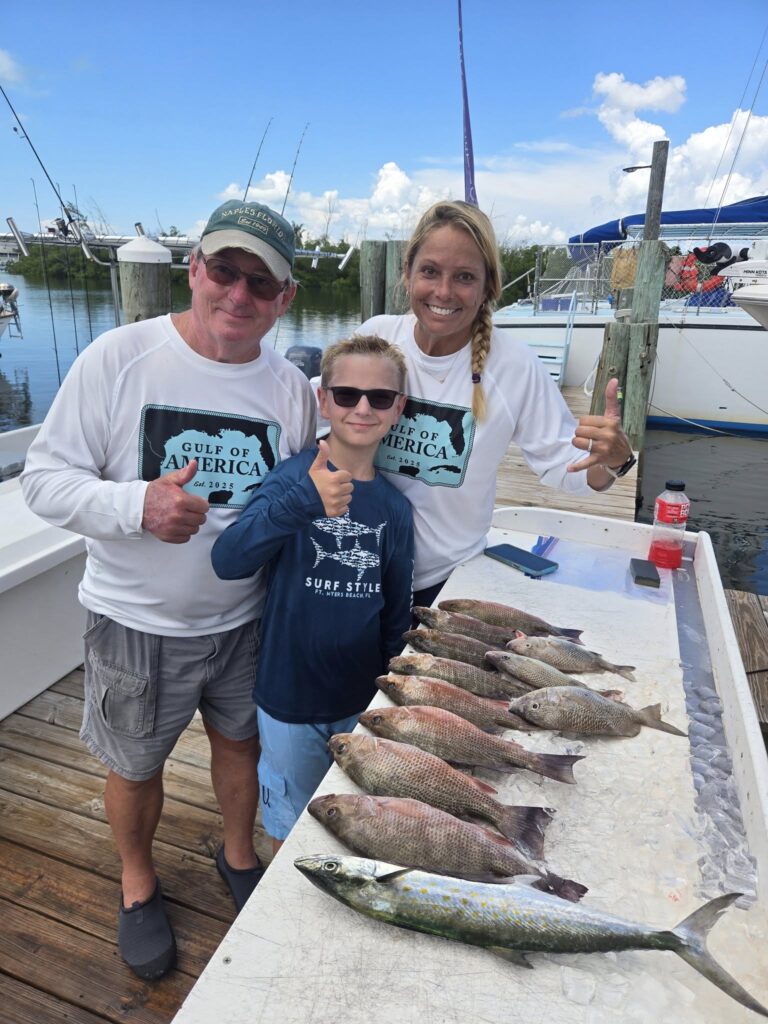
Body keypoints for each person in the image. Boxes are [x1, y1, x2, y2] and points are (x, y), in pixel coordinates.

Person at [20, 200, 317, 980]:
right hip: (135, 623)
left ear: (286, 298)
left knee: (241, 746)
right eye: (224, 270)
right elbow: (44, 483)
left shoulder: (291, 389)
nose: (238, 294)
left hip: (245, 620)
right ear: (194, 269)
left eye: (261, 281)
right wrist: (135, 505)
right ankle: (138, 882)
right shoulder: (117, 358)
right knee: (135, 763)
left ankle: (238, 853)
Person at [358, 200, 636, 606]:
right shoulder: (377, 339)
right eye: (430, 271)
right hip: (356, 572)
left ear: (489, 287)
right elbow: (321, 422)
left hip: (445, 584)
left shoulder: (514, 367)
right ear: (407, 273)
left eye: (465, 277)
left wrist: (611, 460)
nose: (444, 291)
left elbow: (566, 468)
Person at [211, 335, 413, 852]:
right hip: (287, 699)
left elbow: (394, 610)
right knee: (288, 826)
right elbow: (228, 559)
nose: (362, 407)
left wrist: (389, 687)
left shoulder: (394, 508)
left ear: (398, 409)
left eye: (380, 398)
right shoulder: (289, 480)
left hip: (362, 699)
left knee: (361, 823)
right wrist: (304, 500)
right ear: (324, 401)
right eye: (346, 395)